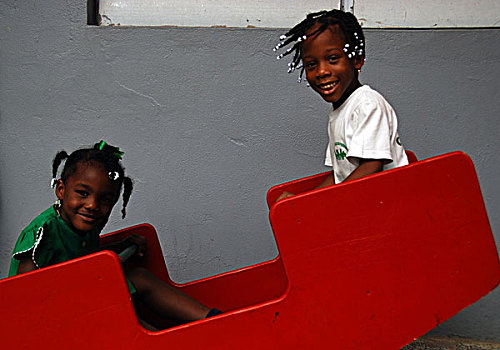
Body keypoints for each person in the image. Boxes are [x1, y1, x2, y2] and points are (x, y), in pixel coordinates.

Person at [8, 141, 222, 330]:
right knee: (123, 318)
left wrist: (120, 246)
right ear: (61, 190)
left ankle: (215, 321)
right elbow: (24, 294)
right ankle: (166, 340)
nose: (92, 205)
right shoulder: (43, 233)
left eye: (105, 199)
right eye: (83, 193)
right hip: (52, 321)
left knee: (139, 277)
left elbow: (80, 258)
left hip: (83, 300)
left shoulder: (83, 225)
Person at [274, 9, 408, 201]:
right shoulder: (339, 111)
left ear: (357, 60)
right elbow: (340, 177)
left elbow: (371, 166)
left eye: (332, 59)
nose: (321, 71)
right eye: (311, 64)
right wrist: (303, 199)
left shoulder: (367, 104)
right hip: (365, 204)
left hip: (390, 204)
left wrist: (321, 204)